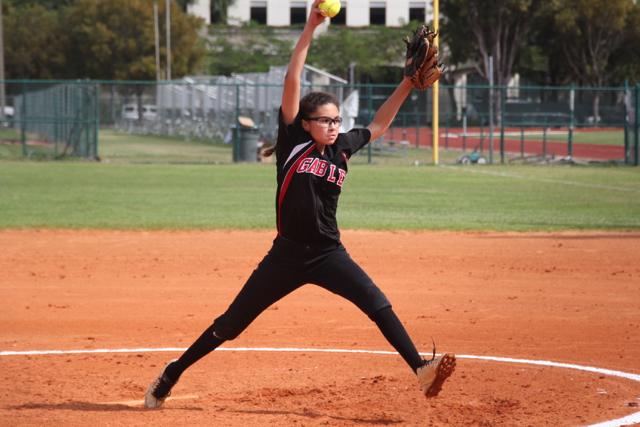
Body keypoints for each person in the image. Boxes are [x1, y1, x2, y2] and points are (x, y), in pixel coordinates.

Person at [144, 0, 455, 409]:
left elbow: (378, 124)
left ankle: (420, 370)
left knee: (377, 303)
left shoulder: (342, 148)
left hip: (329, 253)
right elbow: (293, 77)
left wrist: (406, 84)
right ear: (305, 122)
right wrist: (310, 26)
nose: (333, 125)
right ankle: (171, 374)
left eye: (336, 120)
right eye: (325, 120)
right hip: (285, 257)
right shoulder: (293, 141)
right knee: (229, 326)